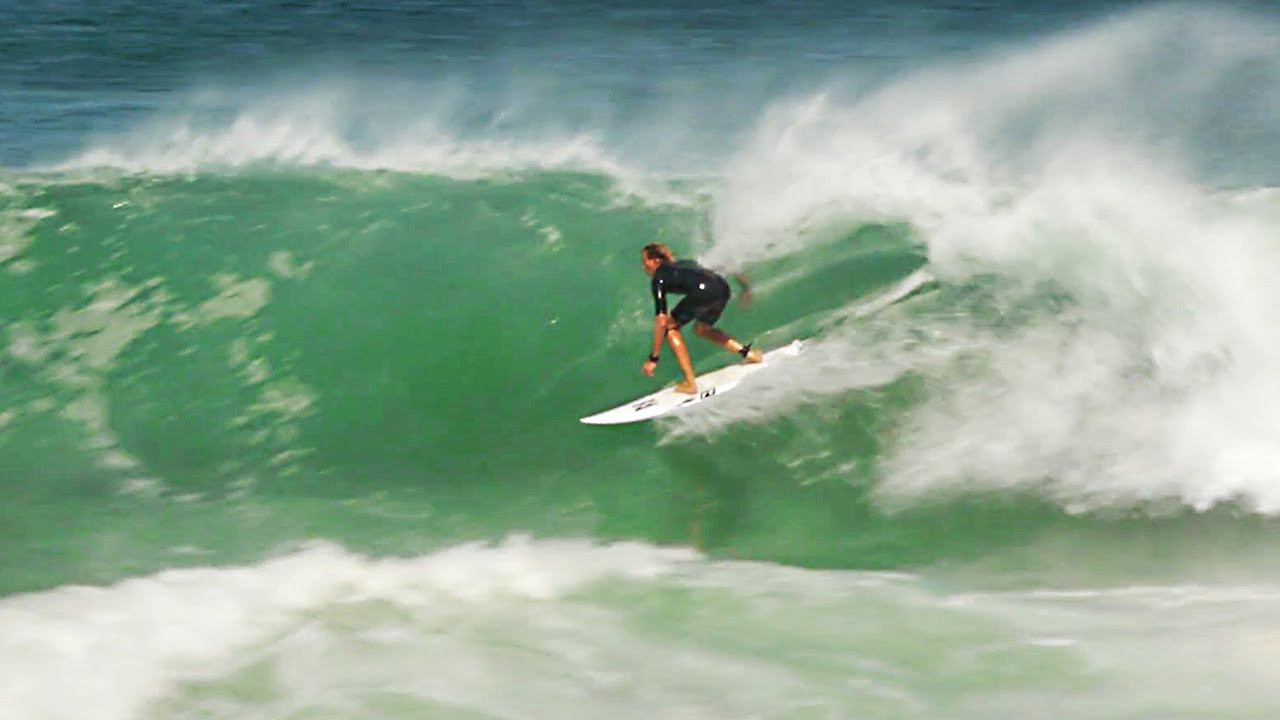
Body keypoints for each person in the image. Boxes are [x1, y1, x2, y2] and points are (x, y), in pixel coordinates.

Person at [640, 242, 763, 394]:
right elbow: (723, 266)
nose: (644, 267)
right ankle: (748, 354)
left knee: (669, 329)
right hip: (721, 287)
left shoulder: (658, 278)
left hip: (702, 293)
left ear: (656, 261)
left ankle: (689, 382)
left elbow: (661, 319)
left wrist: (653, 358)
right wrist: (745, 288)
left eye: (645, 262)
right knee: (702, 329)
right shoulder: (686, 264)